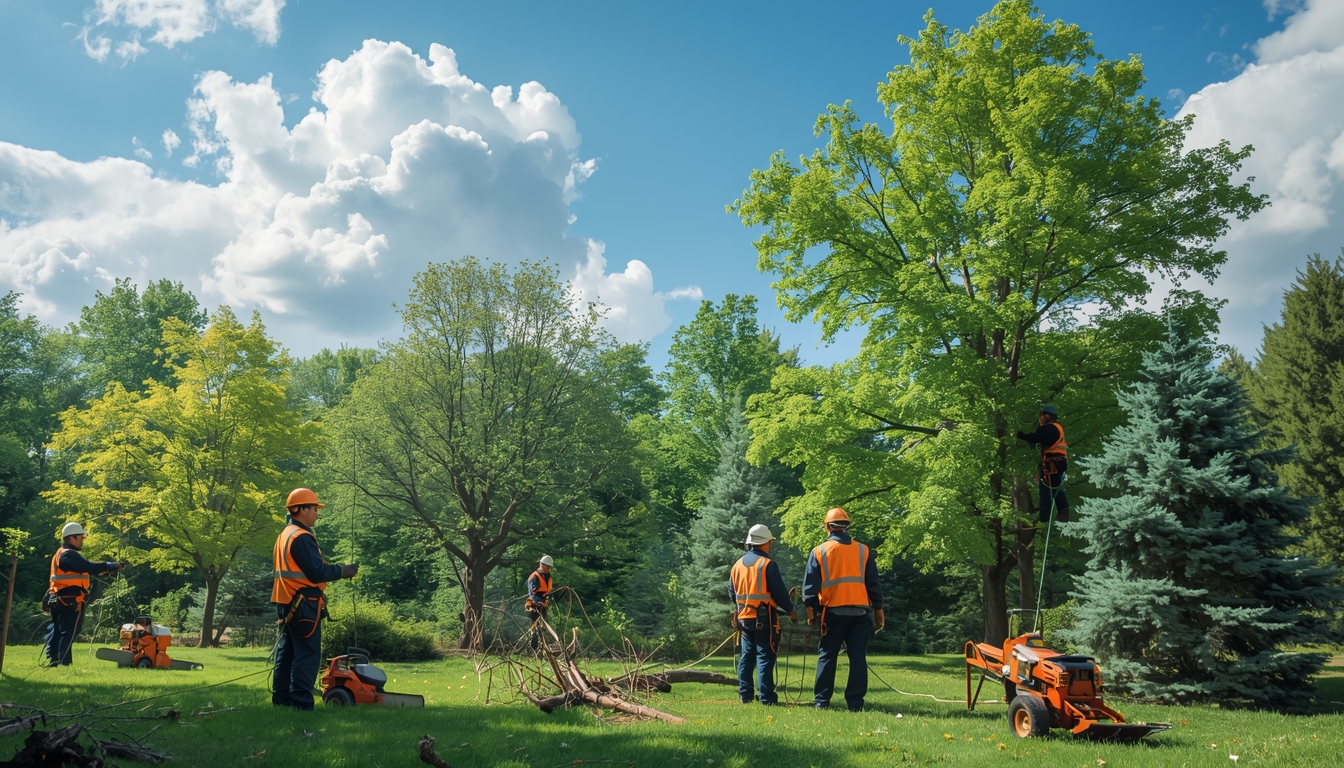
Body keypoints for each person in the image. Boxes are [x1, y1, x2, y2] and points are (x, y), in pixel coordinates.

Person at [271, 488, 358, 710]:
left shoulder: (285, 535)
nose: (317, 513)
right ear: (300, 509)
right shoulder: (301, 537)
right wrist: (343, 570)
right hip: (302, 605)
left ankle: (281, 702)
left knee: (287, 653)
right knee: (307, 655)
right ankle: (301, 705)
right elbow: (316, 572)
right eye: (314, 508)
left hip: (286, 602)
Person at [803, 508, 883, 711]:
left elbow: (810, 589)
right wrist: (879, 609)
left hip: (833, 612)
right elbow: (873, 583)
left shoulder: (819, 551)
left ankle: (822, 701)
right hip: (860, 613)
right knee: (857, 657)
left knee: (828, 655)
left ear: (828, 527)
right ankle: (855, 704)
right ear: (847, 526)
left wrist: (811, 613)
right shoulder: (863, 550)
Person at [729, 524, 797, 705]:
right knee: (765, 656)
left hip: (744, 618)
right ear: (766, 542)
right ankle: (767, 698)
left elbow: (732, 592)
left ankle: (745, 696)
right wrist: (791, 611)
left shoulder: (737, 566)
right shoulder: (767, 564)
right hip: (765, 618)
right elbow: (779, 592)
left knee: (747, 656)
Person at [44, 522, 125, 667]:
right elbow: (89, 567)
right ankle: (63, 663)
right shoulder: (69, 555)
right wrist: (110, 565)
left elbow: (75, 574)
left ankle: (54, 659)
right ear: (71, 538)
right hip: (71, 601)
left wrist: (106, 571)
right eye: (80, 537)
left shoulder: (60, 553)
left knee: (58, 631)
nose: (82, 540)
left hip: (59, 599)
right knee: (68, 632)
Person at [1016, 404, 1070, 523]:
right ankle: (1063, 512)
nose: (1040, 418)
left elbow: (1037, 437)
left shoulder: (1051, 428)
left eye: (1042, 415)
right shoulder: (1057, 428)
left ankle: (1045, 518)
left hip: (1053, 463)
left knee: (1046, 490)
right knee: (1055, 488)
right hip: (1057, 462)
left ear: (1049, 416)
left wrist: (1021, 435)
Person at [526, 555, 554, 649]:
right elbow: (533, 593)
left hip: (543, 604)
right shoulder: (534, 576)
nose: (547, 569)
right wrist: (539, 602)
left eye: (549, 567)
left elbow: (547, 591)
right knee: (535, 625)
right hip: (533, 604)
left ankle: (541, 647)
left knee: (542, 627)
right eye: (545, 567)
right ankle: (531, 645)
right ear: (541, 564)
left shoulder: (547, 576)